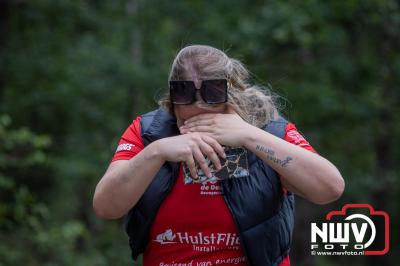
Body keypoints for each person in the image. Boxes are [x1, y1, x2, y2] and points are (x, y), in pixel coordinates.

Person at [93, 45, 345, 266]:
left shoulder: (268, 130)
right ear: (173, 102)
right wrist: (156, 152)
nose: (199, 126)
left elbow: (329, 187)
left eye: (210, 116)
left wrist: (249, 136)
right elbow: (106, 206)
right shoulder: (148, 133)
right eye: (188, 118)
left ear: (230, 97)